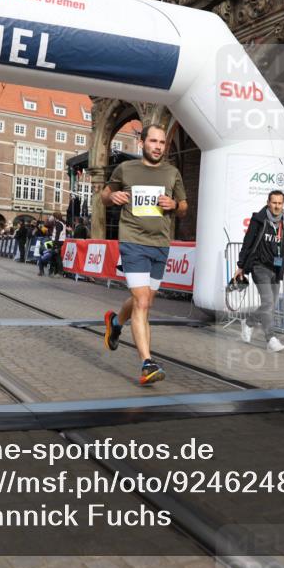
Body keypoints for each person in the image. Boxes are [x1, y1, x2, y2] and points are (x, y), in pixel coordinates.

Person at [100, 124, 188, 386]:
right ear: (142, 143)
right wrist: (112, 196)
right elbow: (104, 195)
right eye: (153, 141)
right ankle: (147, 363)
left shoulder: (172, 173)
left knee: (145, 299)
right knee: (142, 302)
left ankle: (116, 322)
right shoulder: (125, 169)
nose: (158, 146)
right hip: (133, 241)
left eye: (162, 142)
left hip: (160, 244)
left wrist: (174, 205)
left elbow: (183, 207)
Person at [234, 190, 284, 352]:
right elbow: (248, 242)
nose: (277, 206)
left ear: (283, 203)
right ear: (268, 203)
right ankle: (271, 339)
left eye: (280, 203)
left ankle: (248, 322)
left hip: (277, 268)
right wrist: (241, 265)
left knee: (270, 304)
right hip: (259, 266)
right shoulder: (259, 220)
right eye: (274, 203)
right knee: (268, 302)